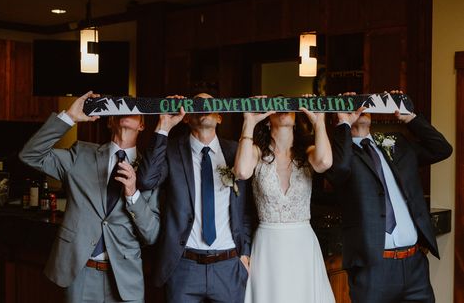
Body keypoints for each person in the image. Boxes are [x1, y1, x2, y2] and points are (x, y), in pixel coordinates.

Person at [19, 91, 161, 303]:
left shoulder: (151, 172)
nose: (124, 109)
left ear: (142, 125)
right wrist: (69, 117)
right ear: (109, 121)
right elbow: (30, 154)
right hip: (79, 274)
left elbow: (151, 234)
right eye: (118, 106)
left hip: (125, 280)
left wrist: (133, 194)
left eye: (132, 107)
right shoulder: (80, 154)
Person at [325, 92, 453, 302]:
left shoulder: (393, 143)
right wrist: (344, 126)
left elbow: (442, 149)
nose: (360, 109)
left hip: (414, 265)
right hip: (373, 269)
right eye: (353, 106)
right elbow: (339, 170)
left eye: (363, 104)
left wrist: (410, 118)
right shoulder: (338, 156)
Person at [136, 93, 252, 303]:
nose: (204, 107)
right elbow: (145, 181)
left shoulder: (236, 151)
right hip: (184, 267)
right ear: (187, 117)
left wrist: (244, 253)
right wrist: (163, 126)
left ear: (220, 116)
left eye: (210, 103)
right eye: (197, 104)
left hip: (229, 265)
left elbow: (246, 209)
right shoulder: (171, 150)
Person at [232, 96, 336, 303]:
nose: (284, 109)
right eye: (277, 105)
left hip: (302, 243)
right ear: (268, 118)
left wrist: (319, 121)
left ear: (297, 119)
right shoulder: (256, 153)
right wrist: (249, 122)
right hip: (268, 244)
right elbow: (242, 171)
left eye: (289, 105)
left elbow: (324, 162)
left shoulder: (308, 153)